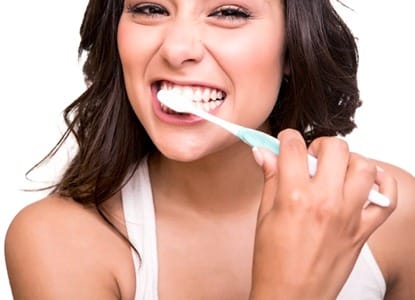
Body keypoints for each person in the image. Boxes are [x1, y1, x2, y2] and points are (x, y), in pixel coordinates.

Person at [4, 0, 415, 299]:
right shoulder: (58, 241)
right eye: (150, 8)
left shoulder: (391, 212)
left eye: (229, 12)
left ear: (292, 45)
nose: (177, 49)